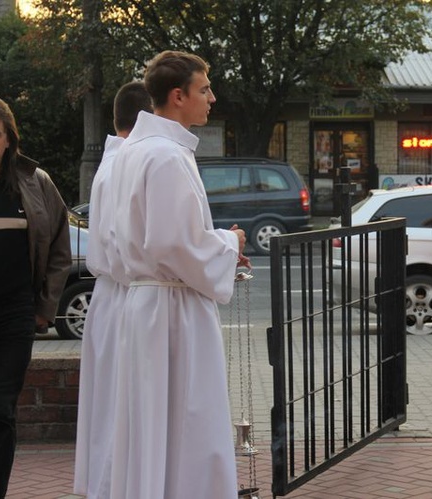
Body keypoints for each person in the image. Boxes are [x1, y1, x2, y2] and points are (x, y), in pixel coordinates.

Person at [106, 50, 249, 498]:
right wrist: (231, 243)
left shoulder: (137, 150)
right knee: (190, 421)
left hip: (147, 304)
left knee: (153, 426)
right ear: (177, 95)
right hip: (172, 308)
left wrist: (214, 245)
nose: (212, 97)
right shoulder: (166, 156)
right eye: (204, 89)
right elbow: (173, 243)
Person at [73, 81, 152, 498]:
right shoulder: (128, 164)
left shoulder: (114, 162)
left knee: (108, 410)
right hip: (124, 293)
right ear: (146, 117)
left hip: (110, 294)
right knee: (121, 412)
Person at [0, 96, 71, 499]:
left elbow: (60, 246)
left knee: (0, 409)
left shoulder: (35, 182)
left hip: (13, 316)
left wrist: (45, 308)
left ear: (8, 139)